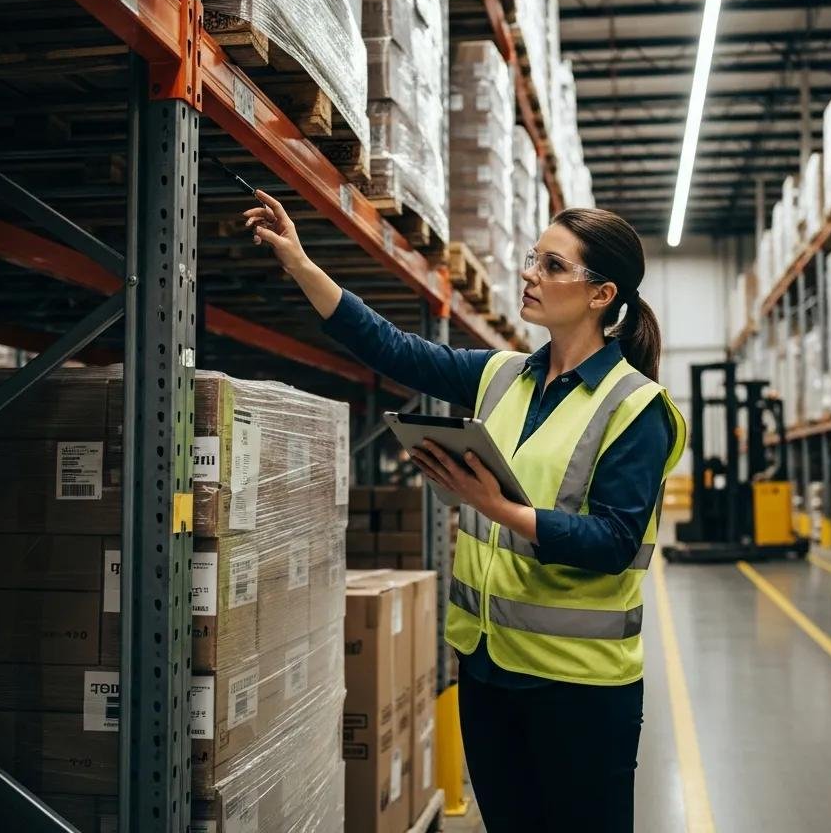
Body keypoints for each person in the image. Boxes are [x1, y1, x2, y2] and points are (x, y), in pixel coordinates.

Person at [244, 189, 687, 833]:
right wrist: (300, 262)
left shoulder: (636, 408)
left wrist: (498, 508)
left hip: (579, 689)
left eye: (553, 266)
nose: (530, 275)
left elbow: (614, 542)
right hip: (486, 668)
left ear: (602, 294)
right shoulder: (502, 376)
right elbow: (393, 348)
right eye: (533, 258)